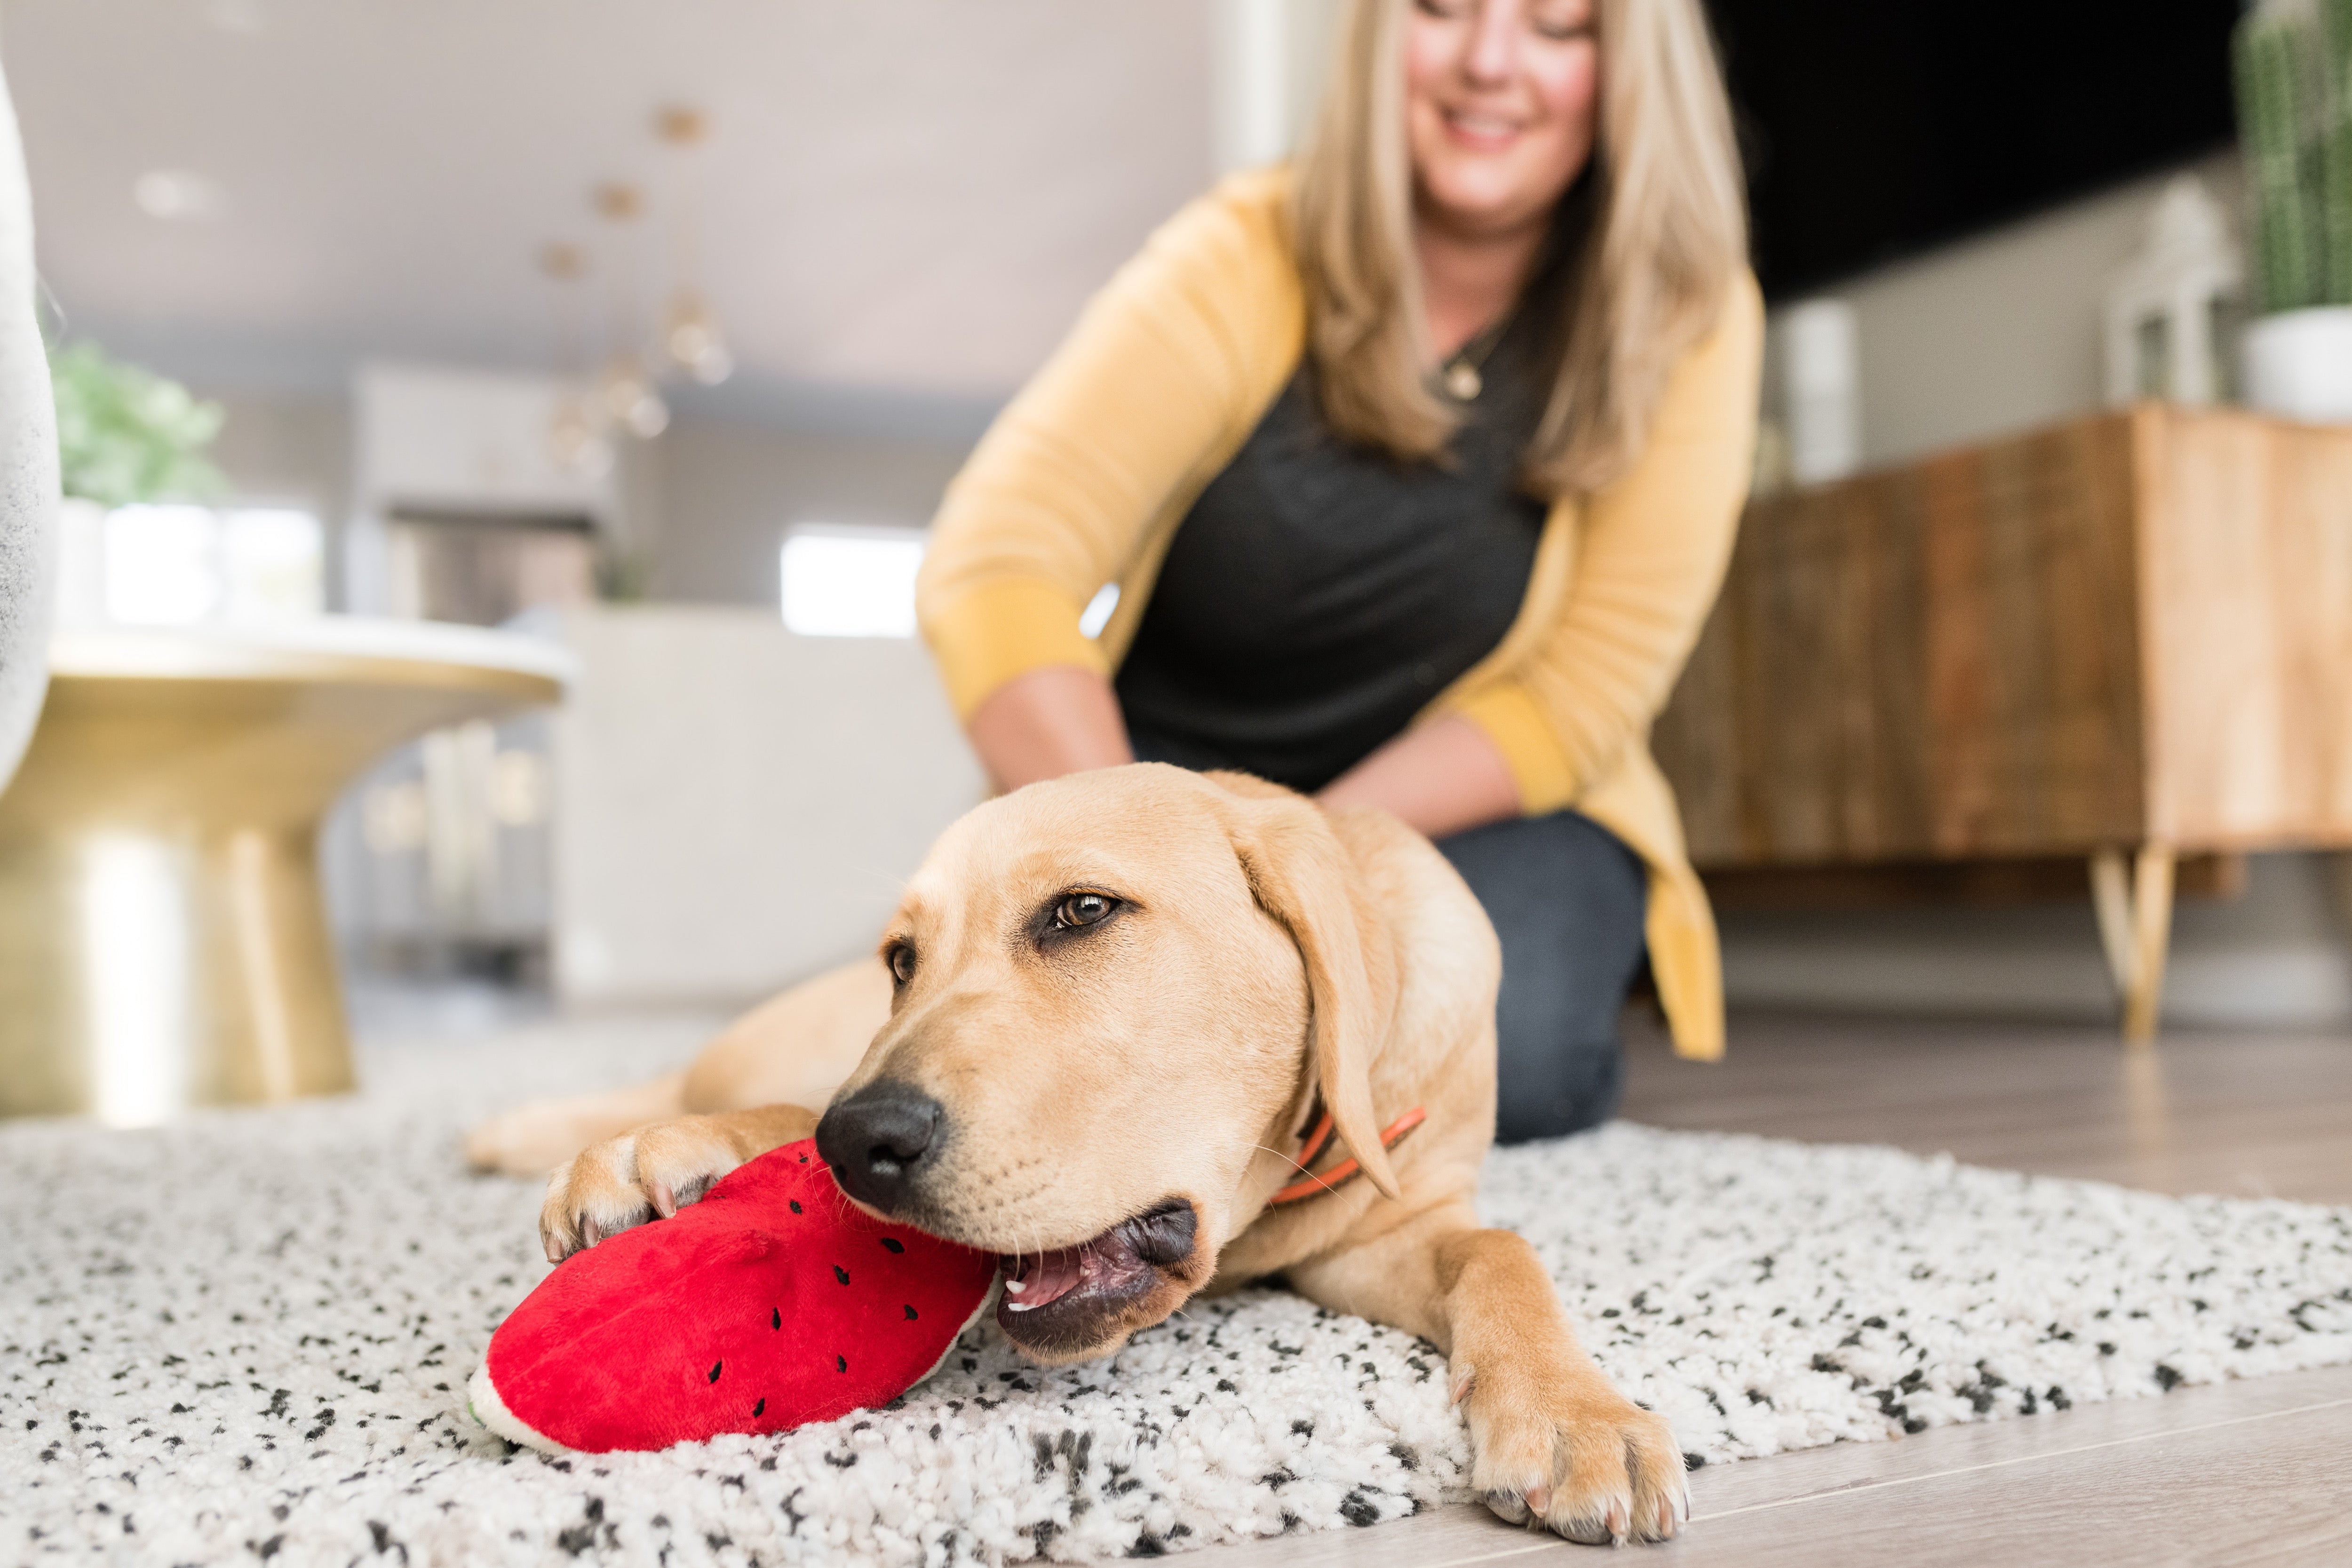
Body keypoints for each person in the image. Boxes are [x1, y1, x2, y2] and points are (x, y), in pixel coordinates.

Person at [914, 0, 1761, 1142]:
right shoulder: (1244, 249)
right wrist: (1133, 871)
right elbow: (996, 562)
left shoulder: (1693, 315)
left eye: (1559, 24)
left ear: (1625, 67)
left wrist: (1282, 885)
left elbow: (1583, 691)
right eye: (1443, 9)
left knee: (1526, 1040)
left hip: (1462, 813)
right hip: (1159, 797)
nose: (1490, 62)